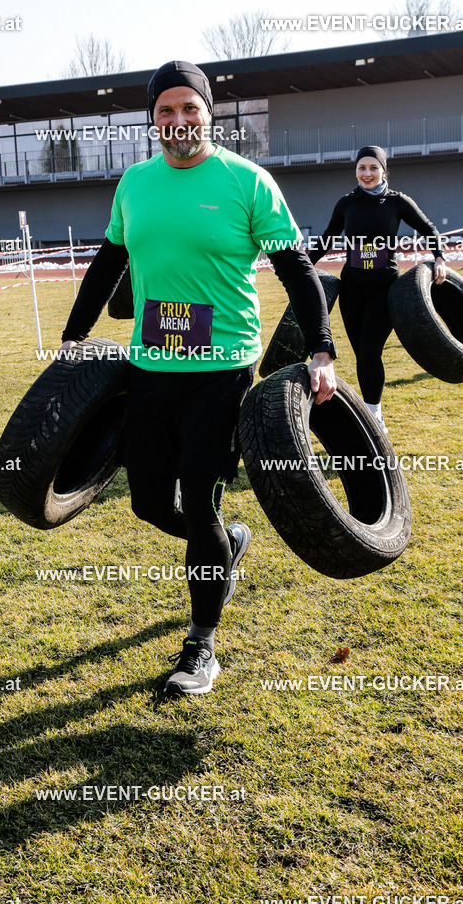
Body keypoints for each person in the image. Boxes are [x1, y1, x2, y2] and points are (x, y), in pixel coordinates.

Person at [60, 60, 337, 696]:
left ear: (209, 114)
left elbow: (298, 270)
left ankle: (201, 644)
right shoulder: (135, 184)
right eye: (166, 110)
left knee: (202, 499)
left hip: (222, 370)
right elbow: (107, 263)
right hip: (150, 365)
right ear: (153, 119)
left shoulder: (247, 181)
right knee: (149, 502)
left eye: (190, 108)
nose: (179, 120)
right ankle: (228, 544)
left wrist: (321, 349)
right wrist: (74, 337)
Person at [307, 146, 446, 432]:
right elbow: (327, 238)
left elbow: (428, 228)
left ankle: (374, 416)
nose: (367, 173)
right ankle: (369, 410)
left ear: (383, 171)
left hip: (385, 290)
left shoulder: (398, 202)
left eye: (373, 168)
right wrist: (303, 266)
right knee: (362, 354)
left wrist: (440, 258)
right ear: (356, 171)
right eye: (362, 168)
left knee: (370, 349)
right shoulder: (346, 204)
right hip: (352, 291)